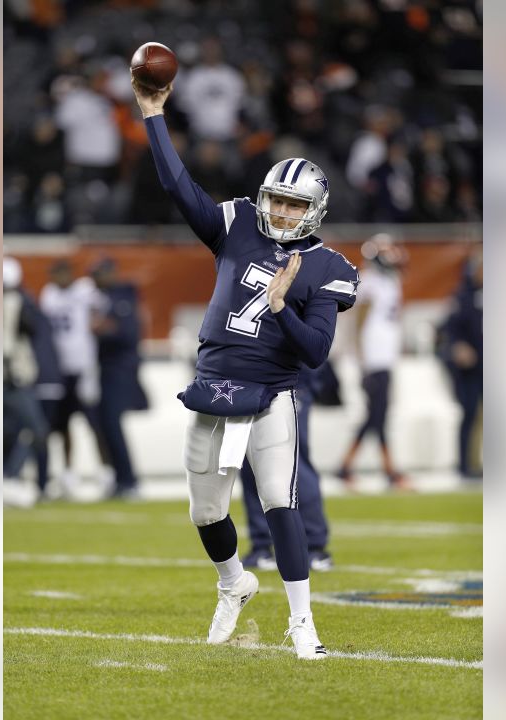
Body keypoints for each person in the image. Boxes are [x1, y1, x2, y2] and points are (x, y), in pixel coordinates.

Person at [135, 73, 358, 660]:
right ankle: (234, 581)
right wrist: (154, 115)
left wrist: (282, 308)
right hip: (213, 386)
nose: (282, 212)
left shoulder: (326, 266)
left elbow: (314, 351)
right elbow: (179, 188)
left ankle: (302, 620)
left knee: (279, 503)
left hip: (273, 393)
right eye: (277, 200)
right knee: (205, 510)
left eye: (294, 204)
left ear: (314, 211)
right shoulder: (234, 225)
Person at [240, 365, 333, 571]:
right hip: (248, 380)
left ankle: (314, 546)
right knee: (251, 463)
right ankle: (262, 545)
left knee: (293, 460)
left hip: (287, 380)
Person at [337, 234, 411, 490]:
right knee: (378, 415)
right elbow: (356, 322)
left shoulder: (390, 281)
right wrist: (359, 357)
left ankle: (347, 467)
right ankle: (389, 471)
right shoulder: (369, 282)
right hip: (373, 358)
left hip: (384, 357)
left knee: (376, 416)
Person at [39, 258, 109, 497]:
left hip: (84, 367)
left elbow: (103, 305)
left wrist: (96, 321)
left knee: (94, 424)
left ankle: (105, 474)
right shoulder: (48, 294)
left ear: (68, 273)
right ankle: (69, 475)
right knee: (62, 425)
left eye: (59, 273)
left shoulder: (84, 290)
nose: (56, 278)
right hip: (60, 370)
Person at [89, 257, 149, 500]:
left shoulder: (123, 297)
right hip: (107, 369)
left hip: (120, 370)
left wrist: (102, 330)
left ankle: (128, 480)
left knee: (112, 424)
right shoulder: (108, 298)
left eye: (98, 274)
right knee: (106, 425)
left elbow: (126, 333)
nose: (95, 279)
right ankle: (121, 478)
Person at [439, 252, 483, 479]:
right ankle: (466, 465)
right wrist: (458, 346)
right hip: (470, 369)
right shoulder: (462, 296)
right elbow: (448, 330)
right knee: (469, 413)